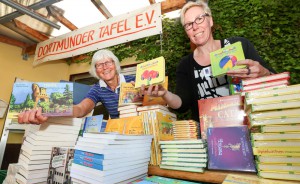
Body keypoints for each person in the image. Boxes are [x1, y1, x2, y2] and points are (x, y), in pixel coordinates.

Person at [141, 0, 276, 122]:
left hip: (246, 127)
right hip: (209, 137)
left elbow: (276, 82)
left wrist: (263, 73)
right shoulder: (185, 65)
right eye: (188, 24)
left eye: (199, 19)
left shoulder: (238, 45)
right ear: (186, 31)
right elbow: (182, 105)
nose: (195, 27)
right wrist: (165, 94)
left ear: (210, 21)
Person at [18, 49, 136, 124]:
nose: (104, 67)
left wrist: (145, 95)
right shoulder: (97, 89)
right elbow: (80, 109)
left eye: (108, 63)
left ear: (115, 64)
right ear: (95, 71)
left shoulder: (133, 80)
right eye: (99, 65)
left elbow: (151, 99)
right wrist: (53, 109)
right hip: (120, 129)